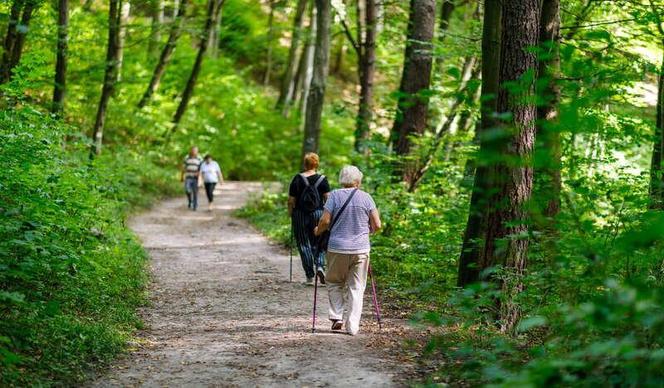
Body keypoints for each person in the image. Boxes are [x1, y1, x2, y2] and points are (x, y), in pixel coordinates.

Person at [314, 165, 381, 335]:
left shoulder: (334, 196)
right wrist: (368, 232)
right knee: (356, 286)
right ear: (358, 180)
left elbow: (325, 221)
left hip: (337, 248)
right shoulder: (366, 198)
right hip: (361, 249)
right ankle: (352, 326)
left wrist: (317, 231)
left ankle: (336, 317)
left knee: (334, 281)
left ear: (342, 179)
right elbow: (377, 225)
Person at [288, 153, 331, 285]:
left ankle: (309, 277)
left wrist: (291, 214)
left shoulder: (297, 178)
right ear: (317, 164)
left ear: (305, 164)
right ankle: (320, 266)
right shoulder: (322, 179)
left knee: (303, 244)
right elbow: (328, 199)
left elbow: (291, 200)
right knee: (319, 241)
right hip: (318, 214)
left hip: (300, 214)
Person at [181, 146, 202, 211]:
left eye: (196, 150)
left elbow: (202, 168)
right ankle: (190, 201)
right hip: (188, 177)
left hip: (196, 178)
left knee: (195, 192)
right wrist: (181, 176)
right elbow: (184, 168)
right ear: (191, 150)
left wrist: (199, 175)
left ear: (197, 151)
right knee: (187, 190)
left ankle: (195, 205)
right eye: (193, 150)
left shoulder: (200, 158)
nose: (194, 151)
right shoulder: (187, 158)